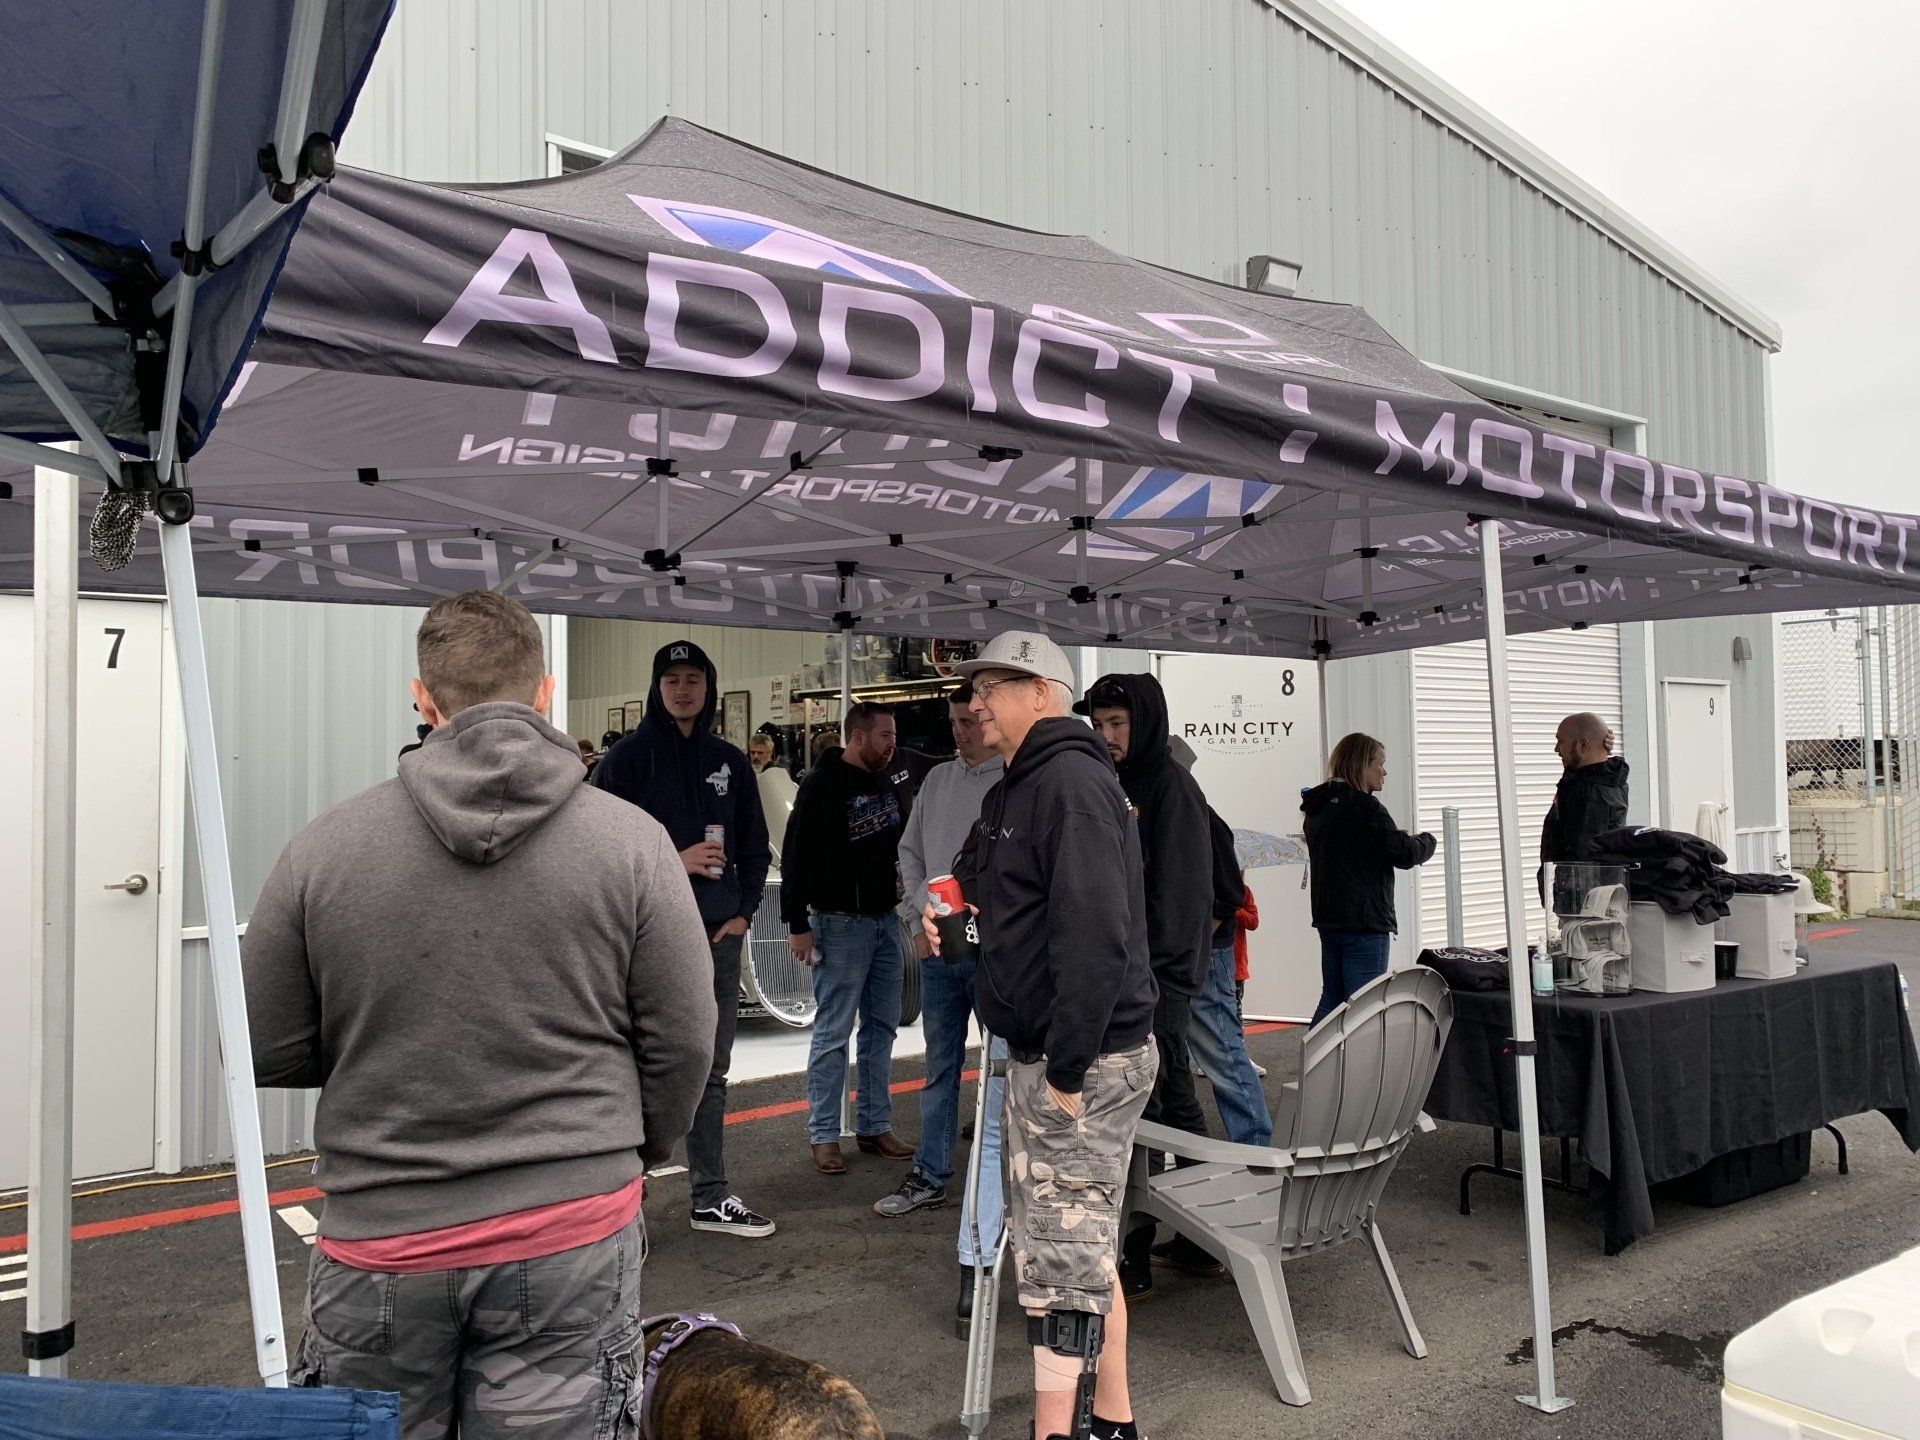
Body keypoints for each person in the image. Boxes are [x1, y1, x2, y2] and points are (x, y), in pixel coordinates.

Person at [243, 591, 715, 1437]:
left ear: (422, 698)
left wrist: (389, 1043)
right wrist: (636, 1145)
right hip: (571, 1232)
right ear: (545, 692)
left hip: (382, 1238)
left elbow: (267, 1047)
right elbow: (683, 1040)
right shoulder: (634, 844)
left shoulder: (322, 849)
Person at [929, 631, 1158, 1440]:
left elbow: (1098, 938)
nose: (977, 699)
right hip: (1054, 1054)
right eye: (976, 685)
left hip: (1082, 1061)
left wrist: (1065, 1071)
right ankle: (1112, 1421)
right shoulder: (1012, 788)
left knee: (1059, 1267)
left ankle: (1054, 1433)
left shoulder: (1069, 784)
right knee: (1077, 1247)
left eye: (996, 683)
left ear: (1045, 693)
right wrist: (947, 911)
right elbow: (976, 886)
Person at [593, 640, 776, 1238]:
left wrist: (744, 913)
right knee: (636, 1066)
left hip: (718, 939)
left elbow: (753, 844)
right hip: (646, 942)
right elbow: (598, 854)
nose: (682, 689)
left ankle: (710, 1195)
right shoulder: (625, 761)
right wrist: (675, 860)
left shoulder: (730, 760)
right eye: (672, 679)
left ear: (708, 686)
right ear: (656, 686)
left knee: (710, 1070)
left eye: (693, 678)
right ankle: (624, 1208)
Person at [872, 681, 1008, 1333]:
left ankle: (996, 1189)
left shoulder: (1015, 781)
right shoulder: (935, 785)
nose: (960, 730)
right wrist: (916, 910)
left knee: (1004, 1073)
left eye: (968, 720)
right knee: (938, 1067)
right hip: (939, 945)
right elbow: (909, 853)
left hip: (994, 954)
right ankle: (930, 1173)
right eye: (953, 721)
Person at [1081, 674, 1216, 1297]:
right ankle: (1198, 1235)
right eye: (1100, 724)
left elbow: (1182, 898)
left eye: (1118, 724)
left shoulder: (1171, 786)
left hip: (1158, 983)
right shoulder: (1112, 781)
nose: (1107, 736)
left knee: (1149, 1112)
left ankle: (1134, 1251)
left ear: (1147, 721)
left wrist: (1157, 981)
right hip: (1127, 978)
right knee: (1172, 1103)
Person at [784, 701, 913, 1174]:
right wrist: (796, 923)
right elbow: (795, 854)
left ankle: (874, 1126)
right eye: (884, 735)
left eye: (892, 735)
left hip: (884, 920)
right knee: (834, 1032)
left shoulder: (885, 778)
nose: (891, 744)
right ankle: (823, 1135)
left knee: (882, 1028)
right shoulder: (821, 785)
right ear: (858, 736)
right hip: (839, 924)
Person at [1300, 732, 1437, 1025]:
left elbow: (1355, 849)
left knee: (1333, 997)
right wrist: (1427, 840)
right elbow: (1403, 854)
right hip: (1364, 922)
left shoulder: (1318, 808)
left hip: (1329, 918)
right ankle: (1356, 1071)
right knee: (1363, 1008)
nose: (1384, 771)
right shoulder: (1365, 808)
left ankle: (1314, 1067)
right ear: (1361, 764)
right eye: (1379, 763)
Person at [1187, 806, 1273, 1147]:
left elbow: (1242, 910)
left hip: (1218, 961)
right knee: (1219, 1046)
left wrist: (1211, 929)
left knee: (1224, 1046)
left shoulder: (1197, 813)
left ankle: (1253, 1151)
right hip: (1210, 958)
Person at [1543, 712, 1630, 865]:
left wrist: (1560, 885)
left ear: (1583, 745)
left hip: (1576, 887)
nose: (1556, 749)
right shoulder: (1595, 782)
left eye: (1560, 741)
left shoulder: (1590, 794)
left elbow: (1582, 865)